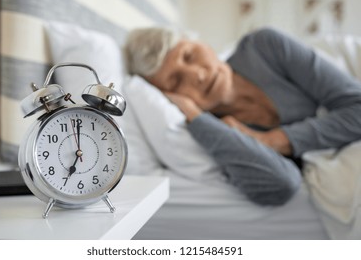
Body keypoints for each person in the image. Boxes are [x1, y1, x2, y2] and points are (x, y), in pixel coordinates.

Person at [123, 27, 361, 206]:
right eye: (176, 81)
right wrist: (196, 116)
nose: (198, 75)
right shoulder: (215, 132)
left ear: (202, 44)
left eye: (189, 55)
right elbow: (281, 183)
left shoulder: (264, 46)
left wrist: (270, 141)